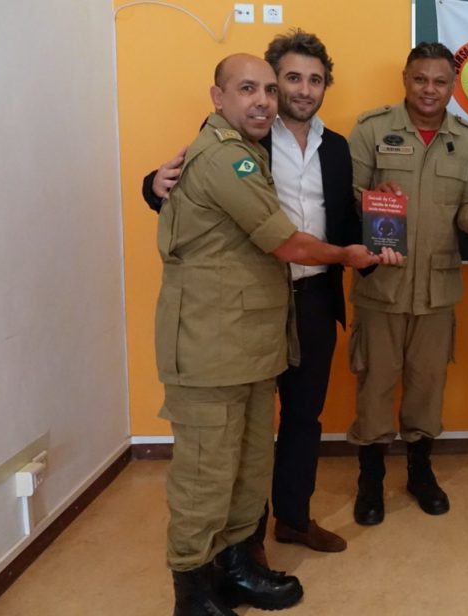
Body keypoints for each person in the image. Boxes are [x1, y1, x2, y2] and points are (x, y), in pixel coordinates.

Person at [157, 54, 376, 615]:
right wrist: (347, 257)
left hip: (261, 332)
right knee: (207, 472)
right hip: (213, 340)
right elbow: (284, 241)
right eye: (249, 89)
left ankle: (237, 568)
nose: (264, 99)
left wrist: (375, 233)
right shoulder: (227, 154)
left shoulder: (281, 147)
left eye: (268, 90)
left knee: (250, 461)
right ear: (218, 97)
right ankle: (193, 592)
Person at [345, 42, 468, 526]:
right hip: (381, 285)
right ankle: (370, 480)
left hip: (437, 289)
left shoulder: (467, 141)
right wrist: (369, 197)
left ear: (453, 86)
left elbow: (467, 211)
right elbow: (346, 195)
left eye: (440, 81)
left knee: (427, 386)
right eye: (420, 79)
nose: (429, 90)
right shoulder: (372, 129)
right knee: (375, 385)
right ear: (405, 78)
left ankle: (420, 473)